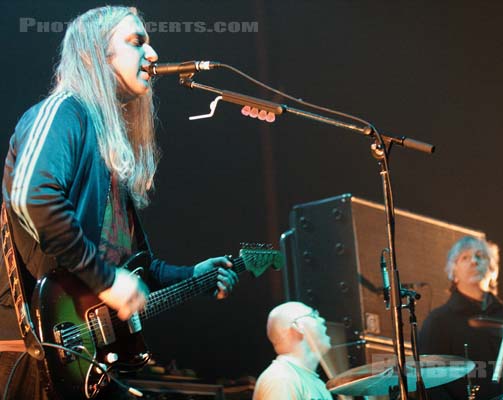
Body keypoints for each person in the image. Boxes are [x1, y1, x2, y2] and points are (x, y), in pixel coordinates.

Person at [0, 6, 238, 399]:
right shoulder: (63, 111)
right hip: (24, 347)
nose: (154, 55)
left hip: (80, 358)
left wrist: (192, 274)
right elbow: (32, 197)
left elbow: (133, 264)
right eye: (137, 42)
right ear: (94, 55)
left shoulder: (109, 154)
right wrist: (106, 281)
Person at [418, 236, 503, 400]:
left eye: (480, 256)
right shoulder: (438, 320)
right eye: (465, 257)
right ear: (453, 271)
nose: (474, 262)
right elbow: (429, 382)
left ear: (492, 269)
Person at [253, 301, 333, 400]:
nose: (322, 320)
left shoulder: (318, 384)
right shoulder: (281, 379)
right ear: (298, 327)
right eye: (314, 315)